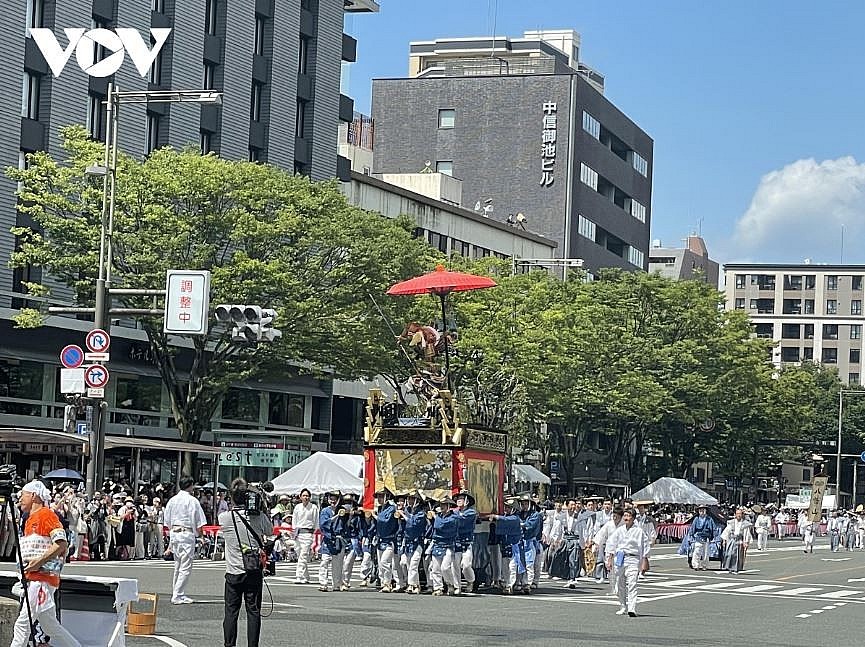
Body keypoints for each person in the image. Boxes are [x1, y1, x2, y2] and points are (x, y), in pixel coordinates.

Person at [12, 480, 82, 647]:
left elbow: (61, 543)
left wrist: (38, 562)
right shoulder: (30, 519)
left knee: (23, 624)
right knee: (50, 626)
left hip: (41, 579)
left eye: (23, 494)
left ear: (33, 495)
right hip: (38, 578)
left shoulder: (46, 515)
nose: (19, 498)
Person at [219, 478, 274, 647]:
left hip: (233, 571)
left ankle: (229, 644)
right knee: (253, 611)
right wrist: (263, 506)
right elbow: (270, 531)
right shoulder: (258, 518)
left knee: (230, 613)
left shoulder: (224, 518)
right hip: (253, 571)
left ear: (232, 498)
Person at [163, 476, 207, 604]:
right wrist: (201, 536)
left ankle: (177, 592)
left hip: (175, 533)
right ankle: (178, 594)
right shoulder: (192, 501)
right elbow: (198, 522)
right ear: (190, 485)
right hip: (186, 534)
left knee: (178, 565)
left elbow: (167, 520)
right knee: (185, 566)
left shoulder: (173, 500)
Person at [605, 508, 650, 617]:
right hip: (620, 558)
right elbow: (611, 543)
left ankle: (632, 608)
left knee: (632, 584)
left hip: (633, 558)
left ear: (633, 518)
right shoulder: (620, 530)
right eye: (625, 516)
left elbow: (645, 546)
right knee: (620, 583)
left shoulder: (639, 531)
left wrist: (644, 560)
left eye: (628, 516)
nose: (626, 518)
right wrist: (609, 559)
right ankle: (623, 606)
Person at [428, 496, 460, 596]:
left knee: (445, 567)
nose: (442, 507)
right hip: (437, 544)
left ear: (449, 506)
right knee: (435, 569)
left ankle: (450, 584)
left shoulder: (453, 517)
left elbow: (439, 525)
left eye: (444, 505)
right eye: (441, 505)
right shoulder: (439, 516)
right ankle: (438, 588)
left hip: (448, 545)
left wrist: (435, 517)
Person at [318, 490, 348, 592]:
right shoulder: (325, 511)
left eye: (335, 499)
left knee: (338, 563)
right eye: (331, 499)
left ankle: (336, 583)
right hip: (328, 539)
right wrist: (335, 517)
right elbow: (323, 524)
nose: (333, 501)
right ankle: (323, 583)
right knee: (325, 561)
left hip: (339, 539)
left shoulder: (343, 511)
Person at [290, 488, 318, 584]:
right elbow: (294, 520)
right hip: (298, 533)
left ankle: (299, 576)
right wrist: (294, 532)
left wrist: (313, 533)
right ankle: (306, 576)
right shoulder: (297, 507)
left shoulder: (313, 507)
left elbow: (316, 521)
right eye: (304, 495)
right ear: (300, 497)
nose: (306, 497)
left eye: (307, 496)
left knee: (303, 555)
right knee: (299, 554)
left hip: (308, 533)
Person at [455, 490, 477, 593]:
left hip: (467, 543)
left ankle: (470, 580)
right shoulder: (454, 512)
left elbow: (461, 520)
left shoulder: (471, 512)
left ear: (467, 501)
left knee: (466, 565)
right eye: (458, 499)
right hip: (456, 542)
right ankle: (457, 586)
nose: (459, 501)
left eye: (461, 499)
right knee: (455, 565)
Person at [721, 508, 752, 573]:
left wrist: (746, 542)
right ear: (735, 514)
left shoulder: (745, 523)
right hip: (732, 540)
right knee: (729, 554)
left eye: (740, 514)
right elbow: (727, 531)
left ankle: (736, 569)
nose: (739, 515)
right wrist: (724, 540)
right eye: (737, 514)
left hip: (739, 540)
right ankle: (729, 567)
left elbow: (746, 534)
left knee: (737, 556)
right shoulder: (731, 522)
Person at [687, 505, 717, 571]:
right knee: (697, 551)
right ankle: (695, 565)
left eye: (703, 510)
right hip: (698, 537)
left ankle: (704, 565)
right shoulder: (696, 519)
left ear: (706, 511)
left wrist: (715, 537)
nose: (702, 512)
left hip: (707, 537)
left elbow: (713, 528)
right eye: (700, 510)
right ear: (698, 511)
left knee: (706, 553)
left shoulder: (709, 519)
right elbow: (692, 528)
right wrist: (691, 536)